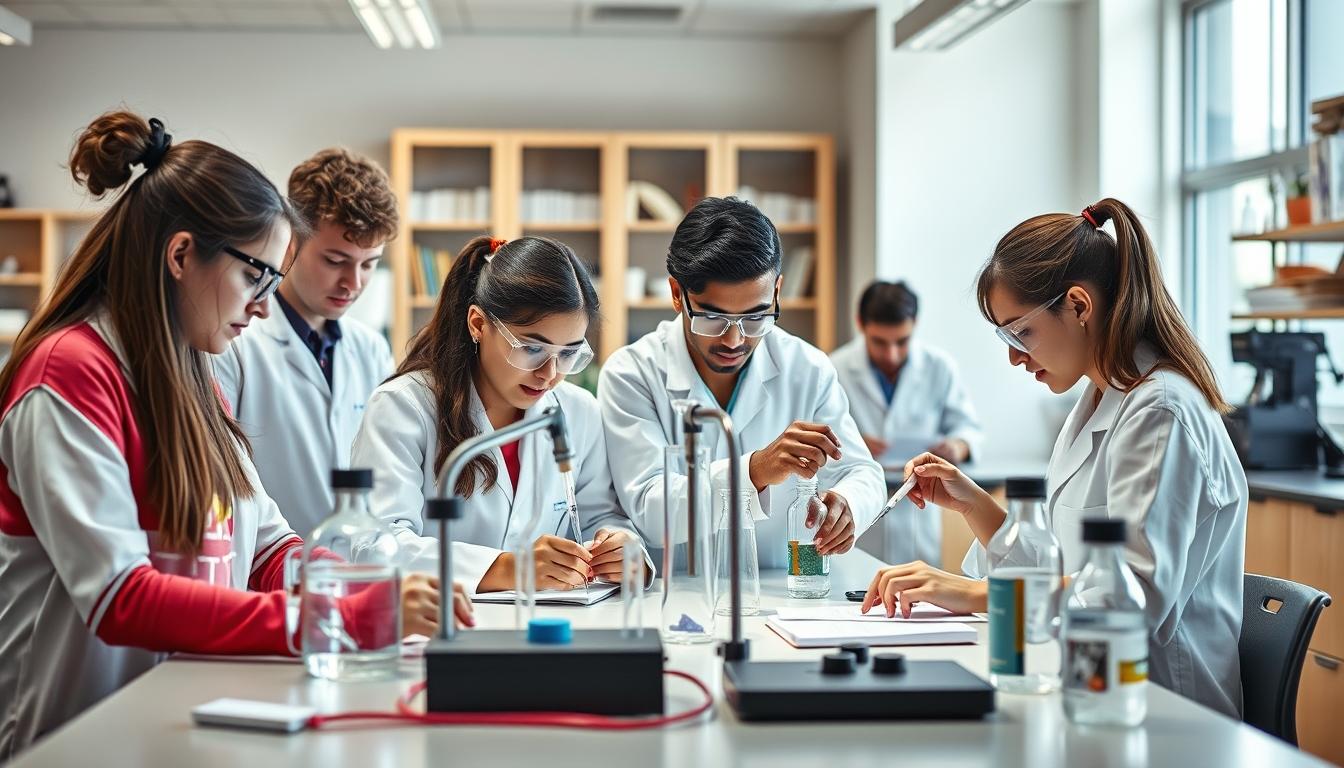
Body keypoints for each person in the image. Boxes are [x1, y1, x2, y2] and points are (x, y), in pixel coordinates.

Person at [0, 112, 470, 759]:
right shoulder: (70, 373)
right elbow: (121, 597)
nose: (260, 304)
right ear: (182, 254)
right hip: (78, 732)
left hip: (175, 713)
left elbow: (265, 550)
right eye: (255, 277)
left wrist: (367, 586)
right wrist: (334, 618)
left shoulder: (192, 375)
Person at [861, 198, 1246, 718]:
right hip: (1085, 686)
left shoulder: (1160, 411)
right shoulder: (1096, 400)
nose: (1015, 357)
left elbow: (1126, 599)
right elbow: (1067, 574)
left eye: (1020, 332)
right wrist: (978, 507)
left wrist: (978, 594)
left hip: (1164, 712)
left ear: (1079, 306)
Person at [351, 236, 651, 594]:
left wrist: (621, 548)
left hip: (549, 629)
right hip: (439, 628)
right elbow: (375, 547)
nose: (549, 373)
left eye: (569, 353)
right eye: (531, 348)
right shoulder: (403, 407)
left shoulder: (578, 410)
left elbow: (597, 516)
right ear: (478, 324)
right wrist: (511, 569)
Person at [600, 196, 886, 567]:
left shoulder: (808, 368)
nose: (734, 341)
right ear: (676, 295)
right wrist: (754, 471)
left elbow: (862, 472)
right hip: (682, 600)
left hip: (783, 595)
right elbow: (651, 513)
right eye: (713, 318)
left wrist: (848, 504)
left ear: (777, 293)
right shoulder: (632, 373)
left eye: (755, 318)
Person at [214, 147, 396, 536]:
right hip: (266, 576)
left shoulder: (372, 351)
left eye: (369, 263)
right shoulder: (234, 343)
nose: (354, 283)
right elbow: (222, 481)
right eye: (335, 260)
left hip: (359, 573)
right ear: (291, 243)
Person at [831, 280, 983, 565]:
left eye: (901, 341)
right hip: (863, 507)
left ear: (914, 324)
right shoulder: (835, 368)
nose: (892, 354)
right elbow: (822, 435)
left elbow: (968, 429)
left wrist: (957, 447)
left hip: (919, 506)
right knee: (860, 587)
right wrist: (852, 443)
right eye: (880, 342)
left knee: (920, 594)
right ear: (860, 323)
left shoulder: (939, 366)